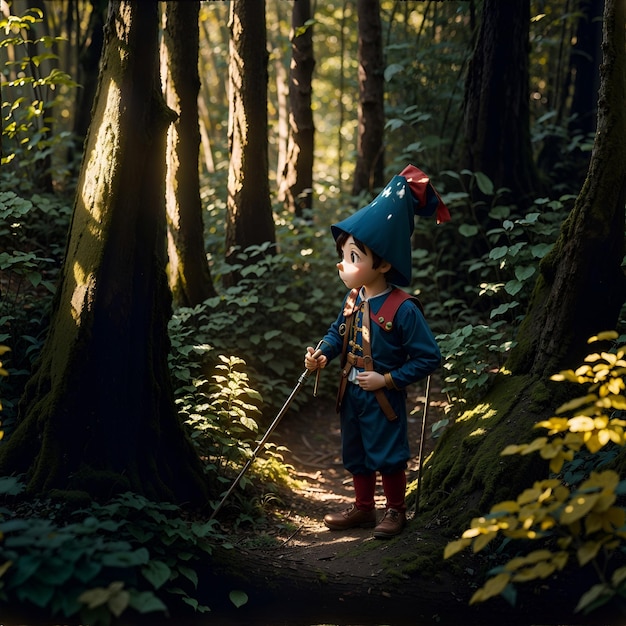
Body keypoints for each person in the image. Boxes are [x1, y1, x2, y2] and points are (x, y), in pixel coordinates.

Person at [304, 164, 449, 538]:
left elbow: (429, 358)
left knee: (388, 453)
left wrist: (387, 378)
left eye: (353, 256)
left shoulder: (403, 308)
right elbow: (337, 333)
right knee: (356, 451)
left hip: (383, 395)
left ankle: (396, 510)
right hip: (350, 391)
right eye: (344, 254)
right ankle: (364, 509)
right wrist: (322, 353)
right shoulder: (353, 298)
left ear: (382, 263)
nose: (343, 263)